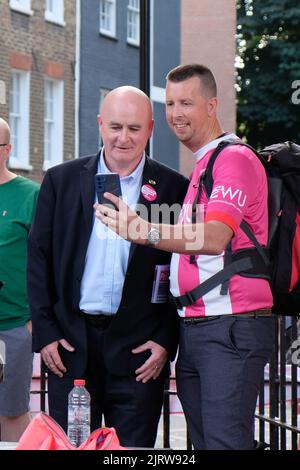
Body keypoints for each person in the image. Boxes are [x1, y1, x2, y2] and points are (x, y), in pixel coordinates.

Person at [95, 64, 276, 450]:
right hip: (199, 328)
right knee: (206, 444)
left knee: (224, 443)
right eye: (171, 102)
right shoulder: (205, 164)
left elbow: (213, 237)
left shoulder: (233, 159)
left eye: (187, 103)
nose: (176, 112)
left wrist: (143, 231)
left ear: (211, 106)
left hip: (230, 328)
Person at [27, 86, 188, 447]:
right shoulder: (60, 180)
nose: (123, 138)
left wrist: (165, 340)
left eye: (134, 128)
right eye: (115, 126)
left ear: (150, 129)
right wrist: (46, 332)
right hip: (70, 347)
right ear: (100, 125)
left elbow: (183, 269)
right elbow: (38, 259)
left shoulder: (174, 188)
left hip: (138, 354)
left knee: (130, 454)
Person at [0, 118, 40, 441]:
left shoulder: (30, 195)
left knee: (11, 414)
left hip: (12, 325)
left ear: (8, 150)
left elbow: (45, 262)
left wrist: (31, 323)